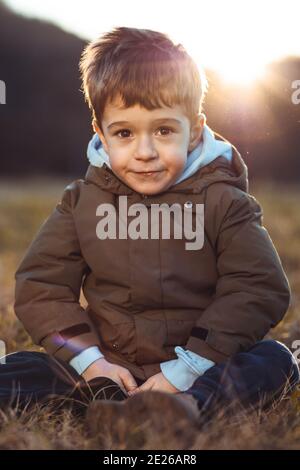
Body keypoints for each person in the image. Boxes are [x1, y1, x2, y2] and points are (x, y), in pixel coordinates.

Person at [4, 27, 299, 423]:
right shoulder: (81, 202)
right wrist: (92, 363)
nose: (145, 152)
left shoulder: (225, 201)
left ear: (193, 131)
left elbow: (257, 286)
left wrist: (185, 371)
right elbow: (42, 285)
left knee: (274, 361)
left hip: (201, 369)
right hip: (108, 371)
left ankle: (181, 410)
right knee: (24, 367)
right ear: (102, 136)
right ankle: (106, 402)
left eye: (163, 130)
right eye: (124, 133)